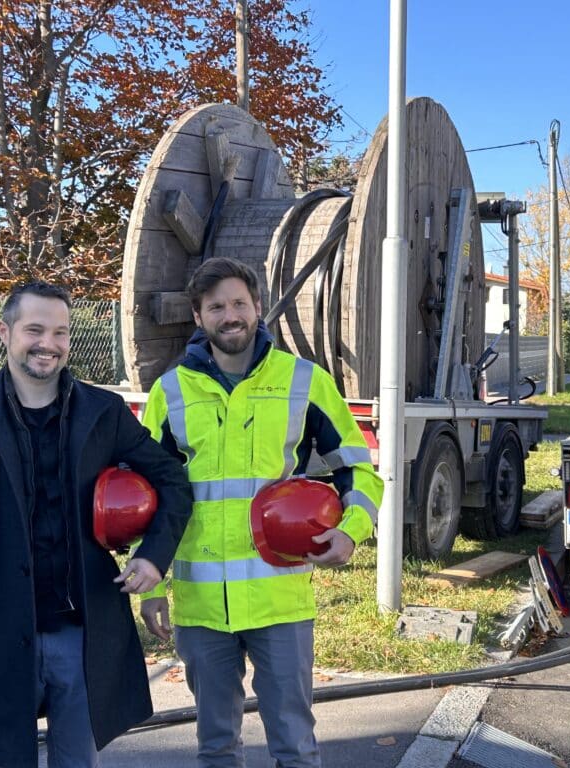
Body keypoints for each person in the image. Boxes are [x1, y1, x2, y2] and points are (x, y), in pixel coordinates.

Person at [0, 281, 193, 768]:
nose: (48, 342)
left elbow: (172, 479)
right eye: (35, 329)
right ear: (5, 334)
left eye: (60, 332)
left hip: (82, 633)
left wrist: (153, 556)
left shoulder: (103, 413)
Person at [139, 257, 384, 768]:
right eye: (216, 307)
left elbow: (358, 470)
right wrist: (155, 583)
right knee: (216, 746)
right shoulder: (170, 392)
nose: (230, 315)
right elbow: (150, 499)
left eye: (239, 303)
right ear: (198, 316)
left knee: (294, 745)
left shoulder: (304, 381)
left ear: (257, 307)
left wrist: (352, 531)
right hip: (201, 606)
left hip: (280, 600)